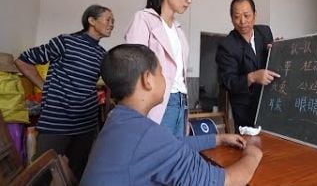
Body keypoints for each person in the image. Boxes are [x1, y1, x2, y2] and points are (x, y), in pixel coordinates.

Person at [80, 44, 262, 186]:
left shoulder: (118, 119)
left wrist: (219, 139)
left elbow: (171, 144)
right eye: (161, 72)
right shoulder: (144, 134)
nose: (165, 79)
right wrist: (253, 154)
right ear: (147, 79)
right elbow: (226, 181)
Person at [15, 4, 114, 181]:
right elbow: (23, 60)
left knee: (77, 172)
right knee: (42, 172)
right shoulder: (65, 42)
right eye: (108, 19)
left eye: (113, 21)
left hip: (85, 123)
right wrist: (43, 86)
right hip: (57, 120)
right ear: (91, 20)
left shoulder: (102, 54)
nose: (112, 24)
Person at [125, 0, 192, 138]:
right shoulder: (144, 19)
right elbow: (133, 65)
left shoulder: (179, 30)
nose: (189, 0)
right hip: (159, 101)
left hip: (181, 101)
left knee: (176, 152)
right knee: (157, 154)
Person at [216, 0, 280, 130]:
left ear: (255, 15)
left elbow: (270, 61)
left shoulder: (265, 32)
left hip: (268, 101)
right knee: (250, 145)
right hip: (245, 108)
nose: (242, 21)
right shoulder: (227, 45)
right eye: (237, 16)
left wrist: (279, 49)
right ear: (231, 18)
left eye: (247, 15)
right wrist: (252, 77)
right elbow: (227, 81)